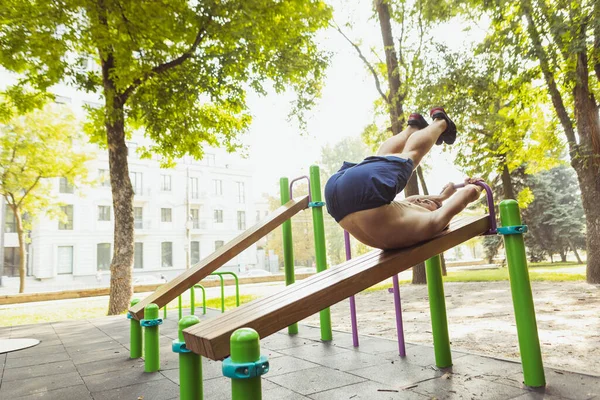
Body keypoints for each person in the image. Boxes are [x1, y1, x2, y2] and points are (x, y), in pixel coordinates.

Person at [324, 107, 483, 250]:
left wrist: (477, 187)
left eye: (429, 202)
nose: (421, 200)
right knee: (384, 162)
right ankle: (413, 129)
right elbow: (413, 200)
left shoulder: (433, 223)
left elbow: (465, 196)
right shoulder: (406, 220)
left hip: (352, 195)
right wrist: (441, 197)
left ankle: (441, 122)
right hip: (336, 198)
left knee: (410, 158)